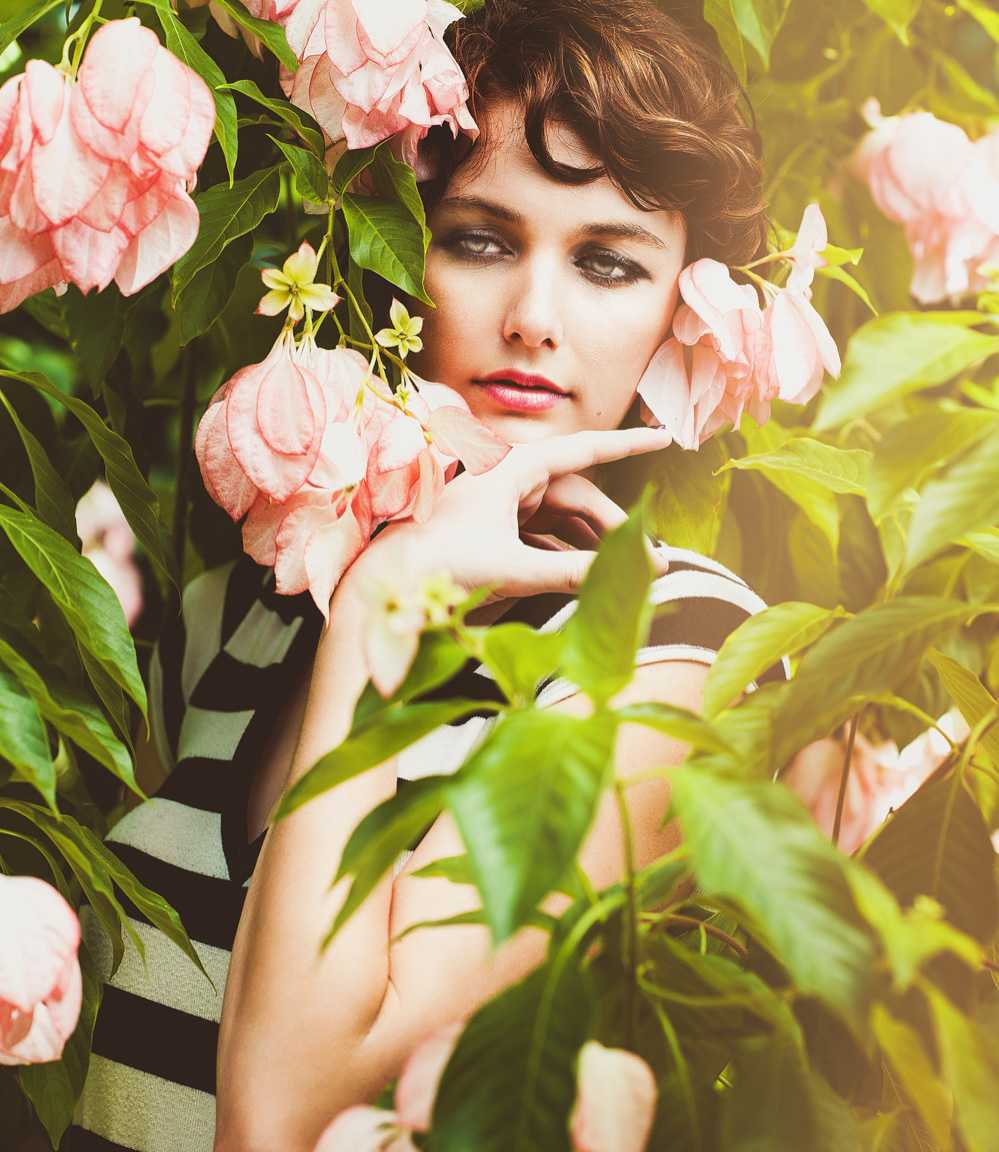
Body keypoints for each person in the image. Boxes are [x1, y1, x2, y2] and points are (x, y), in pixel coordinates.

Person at [71, 2, 786, 1150]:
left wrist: (377, 616)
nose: (534, 320)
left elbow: (283, 1117)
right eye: (480, 239)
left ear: (678, 314)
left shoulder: (679, 650)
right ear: (395, 256)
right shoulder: (234, 622)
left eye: (607, 262)